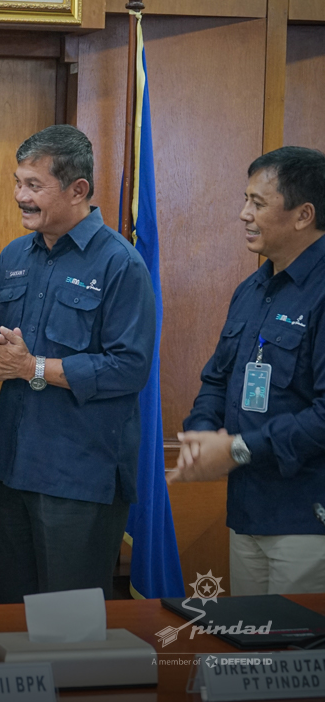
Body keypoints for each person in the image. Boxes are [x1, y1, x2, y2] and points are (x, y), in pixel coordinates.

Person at [0, 125, 155, 604]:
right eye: (17, 182)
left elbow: (129, 368)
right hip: (12, 468)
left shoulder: (120, 264)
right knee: (10, 616)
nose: (19, 196)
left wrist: (32, 367)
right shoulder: (14, 256)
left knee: (67, 626)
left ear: (79, 190)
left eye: (33, 185)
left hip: (78, 478)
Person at [170, 146, 325, 595]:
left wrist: (237, 449)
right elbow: (218, 378)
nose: (243, 214)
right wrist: (201, 434)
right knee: (251, 657)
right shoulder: (253, 288)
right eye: (246, 200)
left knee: (296, 660)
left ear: (303, 215)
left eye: (257, 203)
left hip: (306, 520)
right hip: (246, 511)